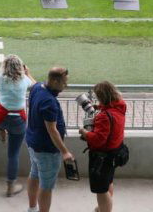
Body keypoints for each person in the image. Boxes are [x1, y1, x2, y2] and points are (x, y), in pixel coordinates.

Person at [0, 55, 35, 197]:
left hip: (1, 117)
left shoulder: (0, 78)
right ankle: (10, 187)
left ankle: (0, 129)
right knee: (13, 155)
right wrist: (28, 73)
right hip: (18, 120)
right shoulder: (25, 80)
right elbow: (35, 85)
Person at [26, 67, 73, 212]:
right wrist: (65, 152)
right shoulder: (49, 102)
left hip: (33, 143)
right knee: (46, 186)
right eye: (64, 82)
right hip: (47, 150)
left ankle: (32, 208)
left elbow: (33, 82)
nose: (66, 85)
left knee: (34, 174)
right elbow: (52, 130)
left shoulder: (37, 88)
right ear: (54, 81)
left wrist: (28, 74)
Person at [78, 81, 127, 212]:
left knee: (100, 189)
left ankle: (104, 208)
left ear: (102, 97)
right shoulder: (120, 107)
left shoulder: (104, 117)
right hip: (115, 153)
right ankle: (103, 208)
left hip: (102, 158)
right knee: (108, 182)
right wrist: (99, 107)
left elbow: (98, 140)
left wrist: (85, 132)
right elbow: (109, 110)